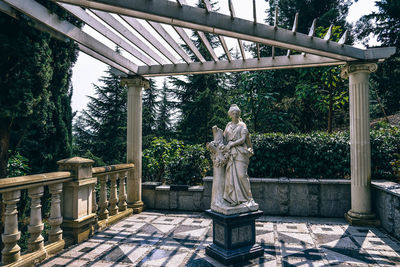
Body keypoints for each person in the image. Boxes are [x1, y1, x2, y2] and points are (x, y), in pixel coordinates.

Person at [223, 104, 257, 209]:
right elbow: (224, 138)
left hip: (241, 152)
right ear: (230, 115)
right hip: (230, 153)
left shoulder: (242, 125)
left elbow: (243, 139)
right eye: (233, 113)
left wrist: (231, 144)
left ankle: (249, 198)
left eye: (237, 113)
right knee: (230, 177)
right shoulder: (228, 125)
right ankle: (234, 199)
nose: (235, 114)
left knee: (242, 175)